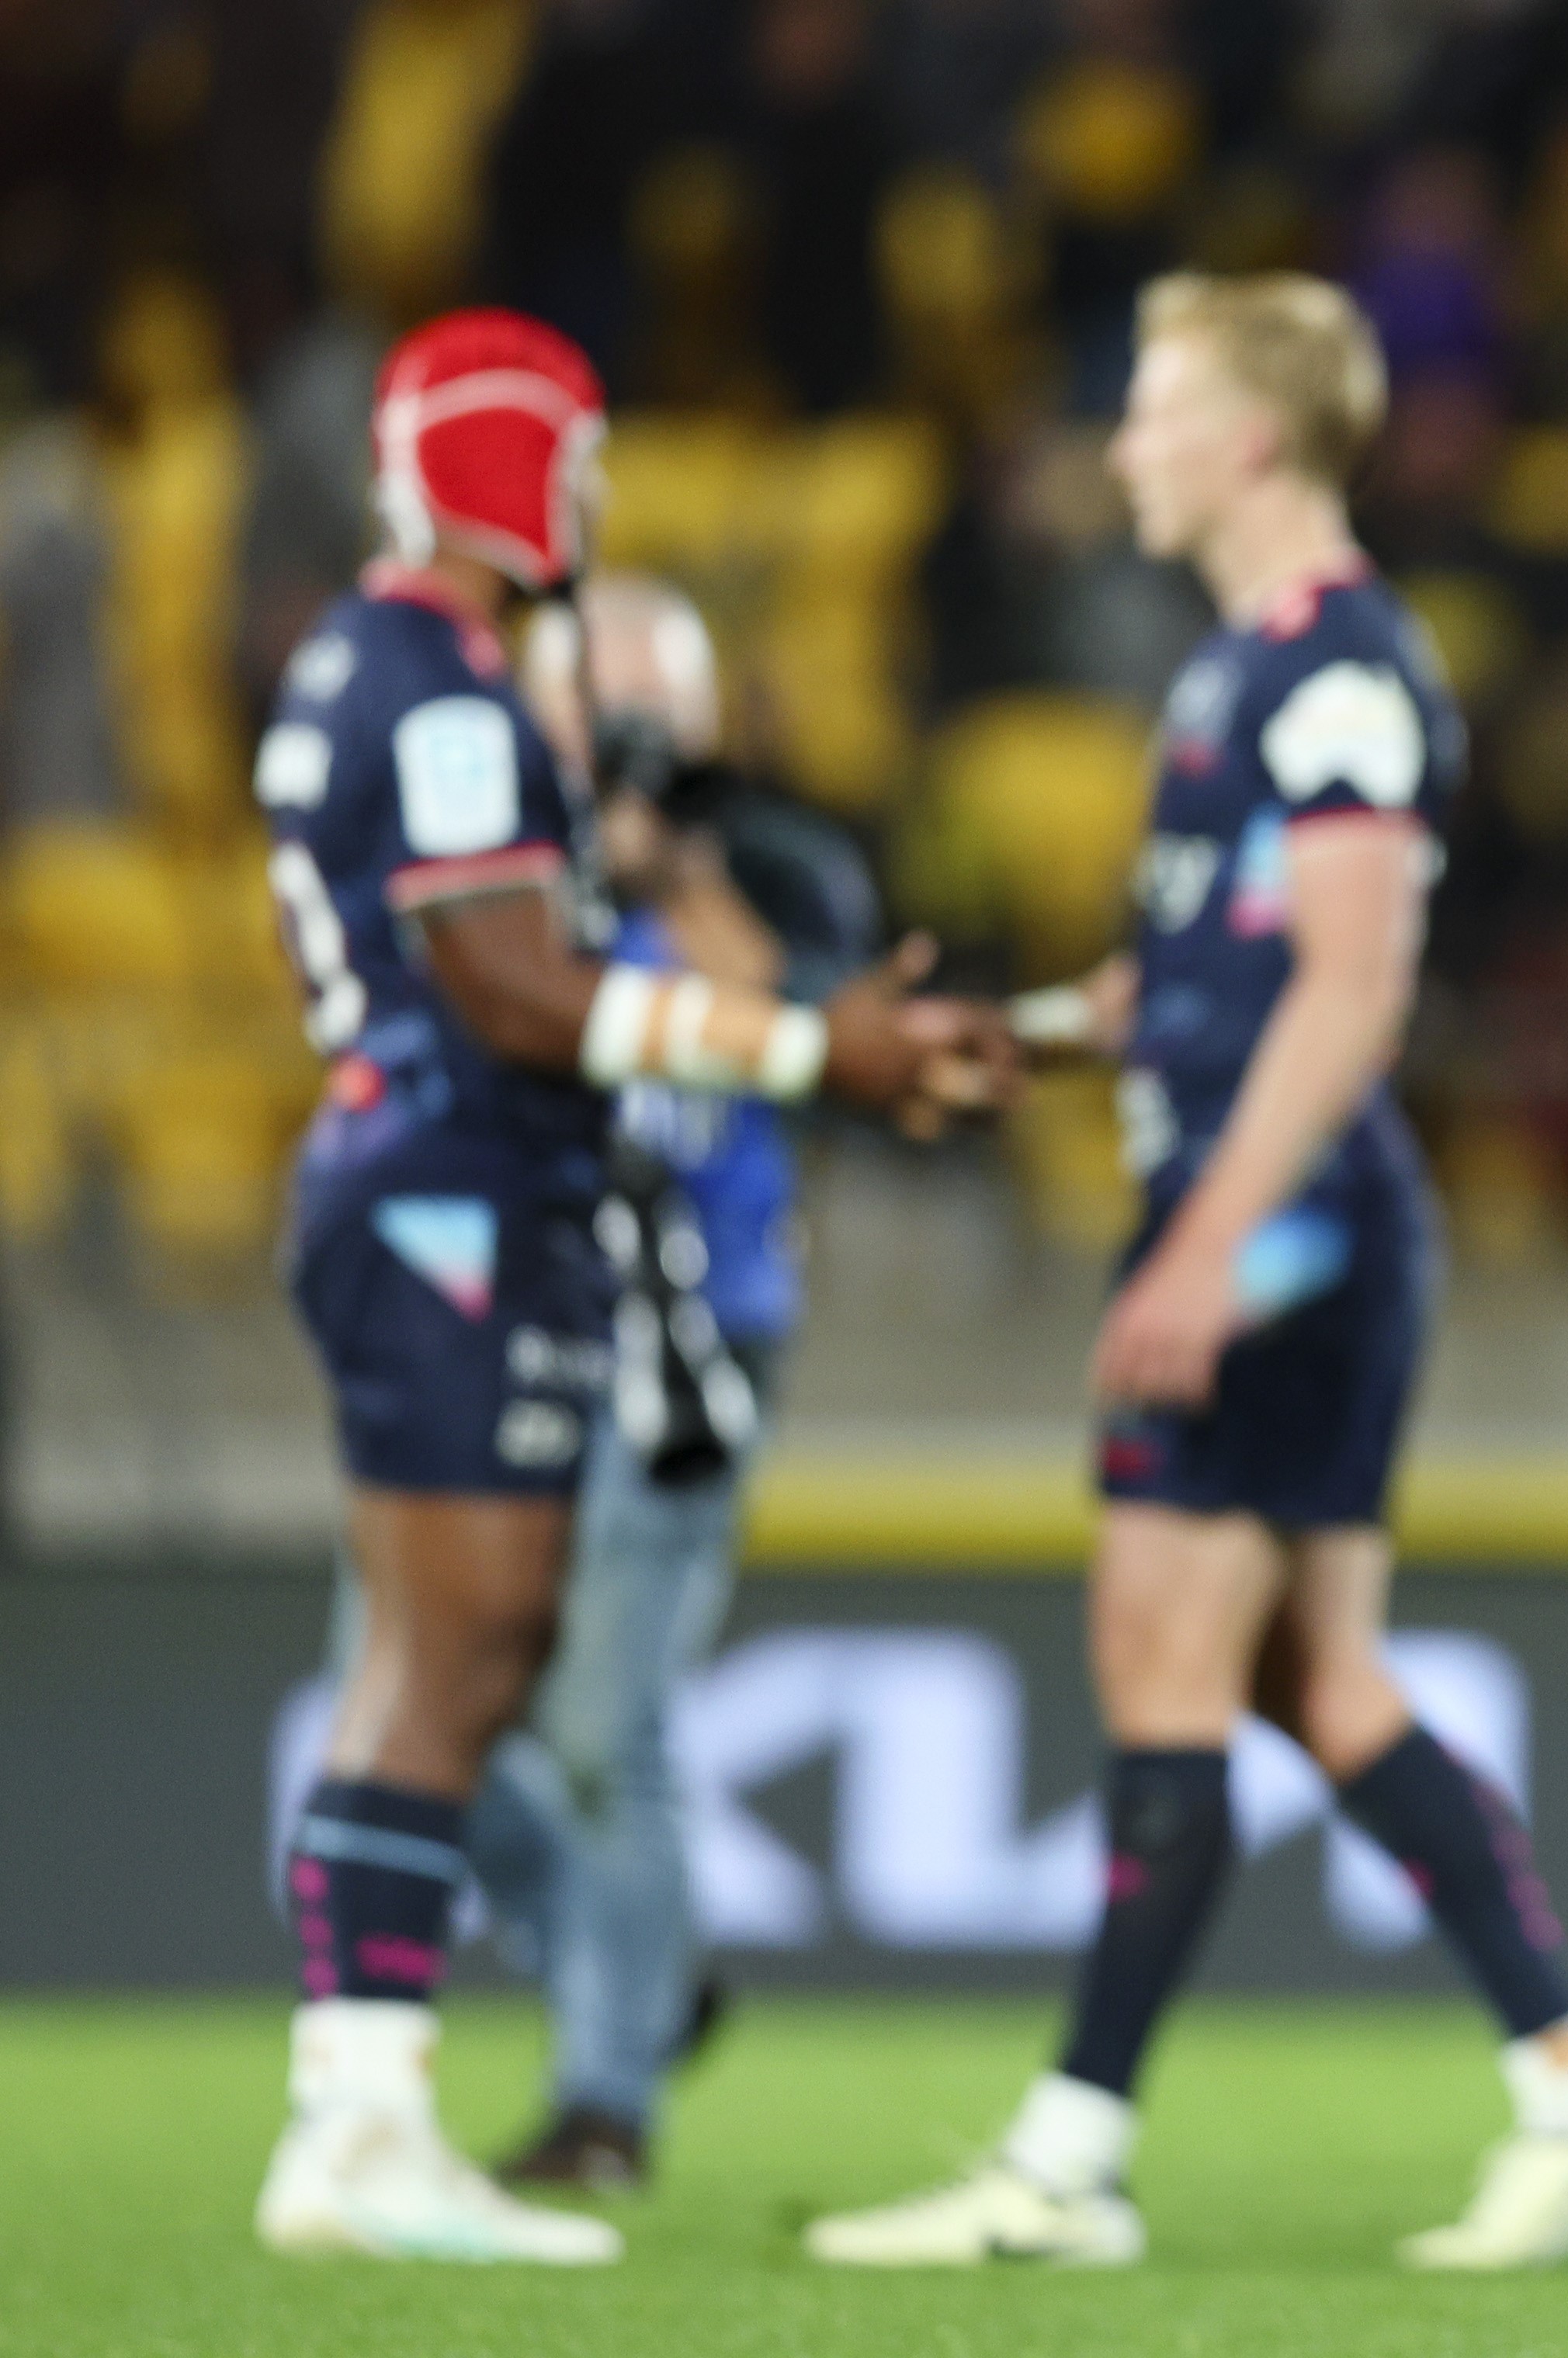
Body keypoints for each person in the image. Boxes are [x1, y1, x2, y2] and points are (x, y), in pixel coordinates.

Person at [804, 272, 1568, 2273]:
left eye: (1154, 403)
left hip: (1281, 1232)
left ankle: (1067, 2157)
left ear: (1256, 439)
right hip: (1270, 1217)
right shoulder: (1244, 674)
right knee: (1315, 1678)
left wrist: (1205, 1247)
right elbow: (1209, 980)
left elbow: (1356, 989)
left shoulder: (1346, 670)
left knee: (1167, 1665)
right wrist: (1034, 1032)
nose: (1121, 439)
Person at [257, 310, 1008, 2264]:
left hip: (439, 1194)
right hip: (456, 1200)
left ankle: (371, 2101)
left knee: (470, 1665)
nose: (587, 499)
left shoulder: (388, 666)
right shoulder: (438, 685)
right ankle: (365, 2121)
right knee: (456, 1668)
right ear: (509, 464)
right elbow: (515, 987)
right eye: (572, 461)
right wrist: (799, 1049)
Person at [316, 574, 873, 2194]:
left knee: (593, 1716)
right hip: (502, 1306)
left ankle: (607, 2099)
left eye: (651, 700)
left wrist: (676, 868)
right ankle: (642, 1958)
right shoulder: (486, 840)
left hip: (689, 1333)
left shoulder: (775, 858)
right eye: (596, 695)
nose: (621, 730)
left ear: (706, 715)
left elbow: (819, 1039)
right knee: (402, 1689)